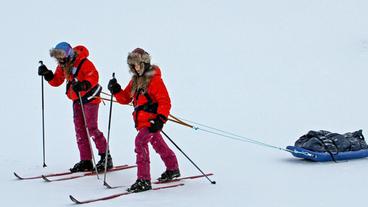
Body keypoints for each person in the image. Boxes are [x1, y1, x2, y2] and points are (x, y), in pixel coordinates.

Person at [108, 48, 180, 192]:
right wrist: (116, 89)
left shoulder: (154, 80)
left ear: (144, 63)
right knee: (158, 143)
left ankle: (144, 180)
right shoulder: (135, 81)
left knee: (140, 143)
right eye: (132, 65)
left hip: (152, 121)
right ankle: (173, 168)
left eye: (137, 65)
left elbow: (164, 101)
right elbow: (125, 98)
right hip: (141, 122)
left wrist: (160, 119)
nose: (134, 68)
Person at [38, 42, 113, 172]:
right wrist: (48, 74)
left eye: (62, 56)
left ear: (69, 53)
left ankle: (105, 157)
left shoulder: (84, 62)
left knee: (91, 128)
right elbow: (57, 81)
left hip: (90, 98)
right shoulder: (63, 66)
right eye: (57, 57)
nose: (60, 60)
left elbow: (93, 76)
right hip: (76, 99)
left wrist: (85, 84)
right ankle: (86, 160)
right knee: (79, 130)